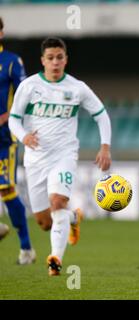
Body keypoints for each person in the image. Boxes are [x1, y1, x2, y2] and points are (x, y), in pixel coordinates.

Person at [9, 37, 112, 276]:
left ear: (66, 59)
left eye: (59, 57)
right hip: (35, 159)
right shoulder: (29, 86)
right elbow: (14, 119)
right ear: (42, 61)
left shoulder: (77, 88)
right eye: (50, 58)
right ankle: (73, 218)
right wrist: (24, 136)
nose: (55, 62)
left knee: (57, 203)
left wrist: (105, 147)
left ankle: (55, 260)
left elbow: (101, 114)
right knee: (45, 223)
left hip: (64, 155)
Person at [0, 16, 36, 264]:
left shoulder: (12, 63)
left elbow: (25, 99)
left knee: (7, 189)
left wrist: (7, 119)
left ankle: (26, 249)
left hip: (3, 138)